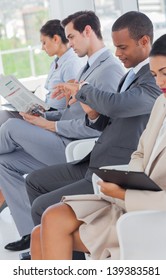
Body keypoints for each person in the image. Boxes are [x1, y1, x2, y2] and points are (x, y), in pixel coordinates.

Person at [25, 11, 161, 259]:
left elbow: (119, 105)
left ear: (144, 41)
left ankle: (61, 249)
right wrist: (93, 113)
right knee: (34, 181)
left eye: (122, 47)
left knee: (42, 208)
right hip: (94, 159)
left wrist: (84, 89)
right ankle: (54, 249)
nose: (118, 53)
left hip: (112, 168)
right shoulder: (132, 75)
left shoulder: (153, 80)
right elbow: (110, 120)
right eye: (116, 46)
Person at [0, 10, 124, 252]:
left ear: (88, 31)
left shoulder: (108, 70)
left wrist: (49, 125)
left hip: (73, 148)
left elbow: (96, 125)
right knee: (5, 161)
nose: (70, 43)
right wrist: (44, 116)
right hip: (61, 138)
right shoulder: (87, 67)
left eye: (72, 37)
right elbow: (73, 113)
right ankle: (30, 235)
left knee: (11, 126)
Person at [0, 19, 83, 212]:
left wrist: (46, 115)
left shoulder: (71, 63)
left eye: (44, 42)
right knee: (4, 120)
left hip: (56, 123)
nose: (42, 48)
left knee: (8, 122)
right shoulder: (57, 62)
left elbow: (70, 105)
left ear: (56, 39)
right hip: (48, 114)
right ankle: (21, 219)